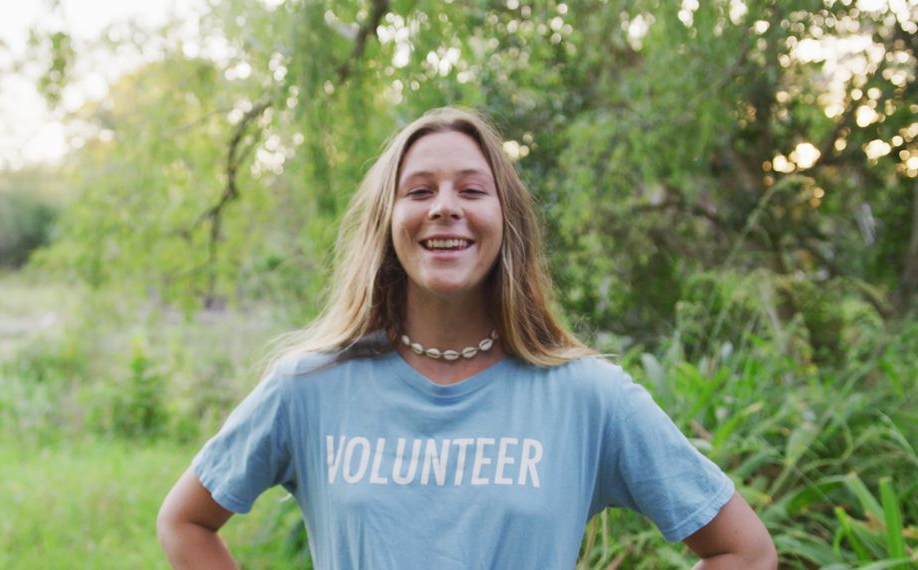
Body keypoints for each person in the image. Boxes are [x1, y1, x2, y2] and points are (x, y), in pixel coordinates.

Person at [157, 107, 777, 569]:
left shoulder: (588, 397)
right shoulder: (309, 385)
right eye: (419, 190)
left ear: (505, 223)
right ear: (388, 222)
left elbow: (743, 552)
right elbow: (185, 522)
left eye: (472, 190)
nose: (445, 207)